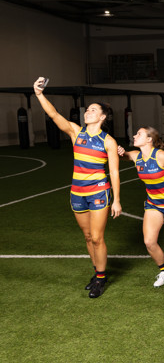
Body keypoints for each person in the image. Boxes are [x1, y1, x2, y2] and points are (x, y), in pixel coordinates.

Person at [33, 77, 121, 298]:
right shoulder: (76, 132)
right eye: (87, 109)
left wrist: (117, 200)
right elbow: (53, 115)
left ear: (102, 117)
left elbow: (115, 172)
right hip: (77, 193)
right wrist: (39, 94)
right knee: (88, 237)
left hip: (99, 193)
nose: (88, 111)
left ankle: (101, 279)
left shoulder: (108, 141)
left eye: (93, 110)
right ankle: (97, 272)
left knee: (98, 237)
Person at [118, 127, 164, 287]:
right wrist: (120, 151)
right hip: (153, 205)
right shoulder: (136, 155)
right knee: (149, 242)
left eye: (139, 134)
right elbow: (124, 156)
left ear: (149, 139)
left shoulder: (161, 156)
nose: (134, 135)